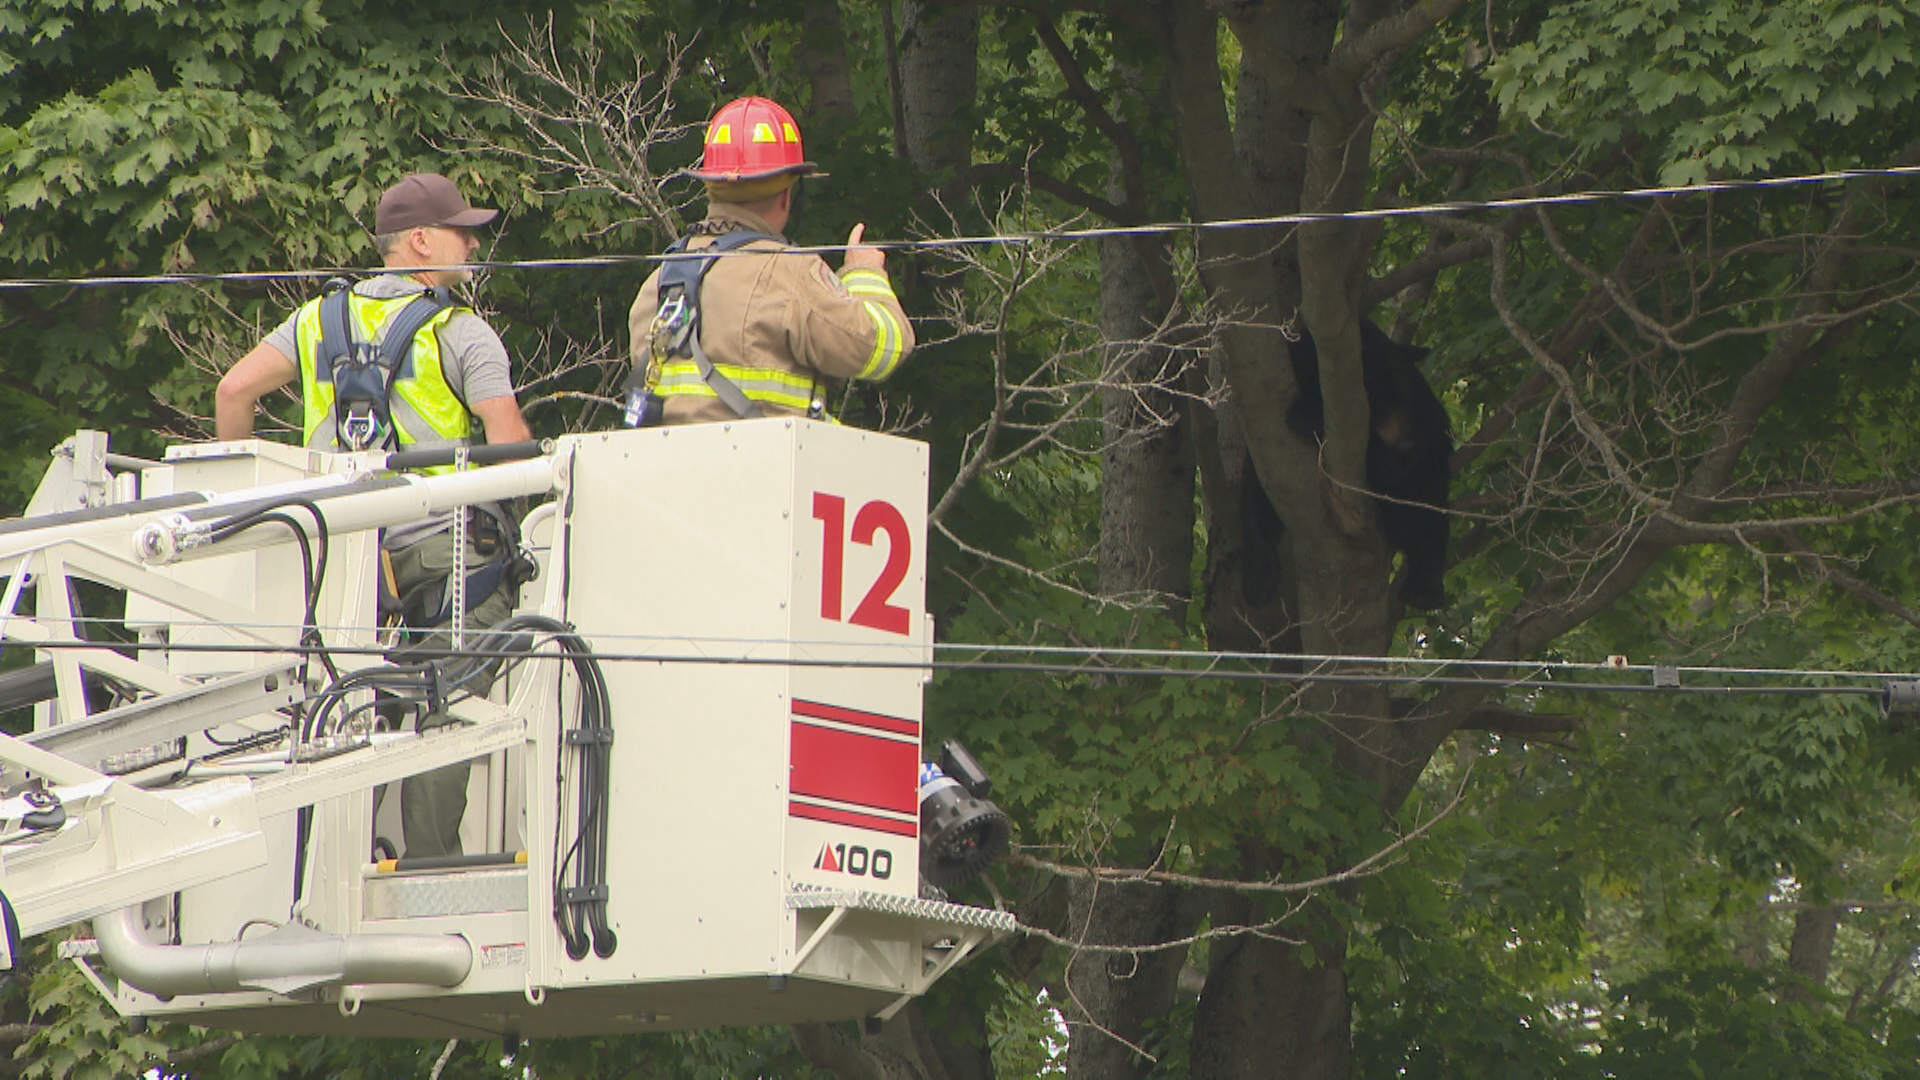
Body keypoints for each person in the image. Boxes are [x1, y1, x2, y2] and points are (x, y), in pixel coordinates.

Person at [215, 171, 533, 859]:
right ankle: (428, 861)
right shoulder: (461, 331)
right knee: (451, 707)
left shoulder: (314, 321)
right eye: (461, 232)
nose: (472, 247)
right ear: (420, 240)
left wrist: (242, 498)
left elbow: (234, 389)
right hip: (444, 555)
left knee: (335, 701)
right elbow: (512, 450)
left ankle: (334, 860)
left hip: (338, 556)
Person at [625, 96, 914, 426]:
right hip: (766, 473)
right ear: (787, 194)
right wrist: (865, 273)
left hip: (669, 475)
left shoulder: (659, 282)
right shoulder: (790, 274)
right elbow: (884, 349)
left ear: (710, 186)